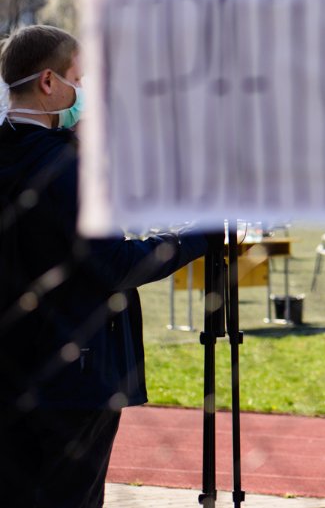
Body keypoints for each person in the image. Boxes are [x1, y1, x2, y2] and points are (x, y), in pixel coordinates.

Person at [0, 25, 208, 507]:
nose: (83, 92)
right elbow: (114, 263)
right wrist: (195, 237)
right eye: (79, 79)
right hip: (74, 372)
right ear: (48, 82)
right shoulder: (68, 167)